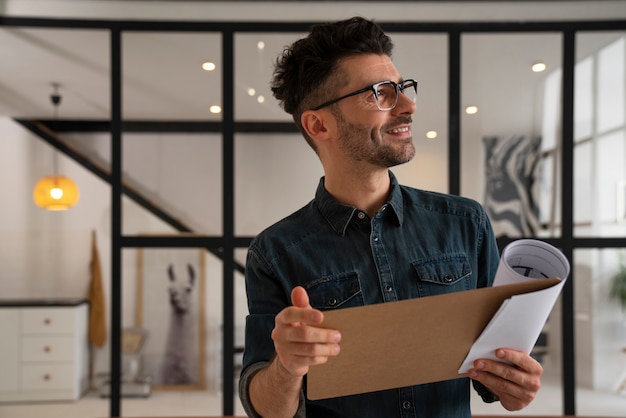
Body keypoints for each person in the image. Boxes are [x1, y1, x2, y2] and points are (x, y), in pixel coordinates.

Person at [239, 16, 543, 418]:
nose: (408, 106)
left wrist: (515, 385)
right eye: (379, 93)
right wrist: (287, 366)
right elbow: (265, 408)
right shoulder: (275, 252)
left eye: (402, 88)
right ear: (318, 124)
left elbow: (495, 378)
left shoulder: (466, 223)